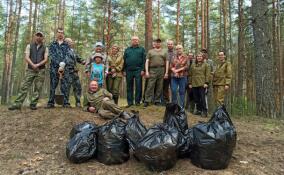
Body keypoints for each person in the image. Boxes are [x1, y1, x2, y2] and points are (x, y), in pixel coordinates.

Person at [8, 32, 48, 110]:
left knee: (38, 88)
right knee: (24, 87)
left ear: (43, 38)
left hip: (41, 70)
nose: (39, 37)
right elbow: (27, 57)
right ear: (34, 36)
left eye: (41, 36)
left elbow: (46, 59)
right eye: (37, 35)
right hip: (30, 70)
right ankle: (17, 104)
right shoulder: (29, 46)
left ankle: (33, 104)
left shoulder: (45, 48)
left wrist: (37, 65)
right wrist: (33, 65)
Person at [46, 28, 73, 108]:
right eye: (59, 32)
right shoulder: (52, 44)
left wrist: (63, 64)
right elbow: (51, 55)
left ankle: (66, 103)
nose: (60, 34)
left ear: (64, 35)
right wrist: (59, 64)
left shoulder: (67, 45)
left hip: (65, 68)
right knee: (53, 85)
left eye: (62, 33)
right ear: (56, 34)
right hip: (54, 68)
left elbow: (68, 55)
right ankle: (51, 102)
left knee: (65, 85)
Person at [144, 38, 169, 107]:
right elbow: (147, 61)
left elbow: (167, 62)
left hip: (161, 69)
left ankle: (157, 101)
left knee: (159, 86)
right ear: (155, 43)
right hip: (152, 70)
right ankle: (147, 100)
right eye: (157, 42)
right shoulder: (150, 51)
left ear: (161, 44)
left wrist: (166, 72)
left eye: (159, 42)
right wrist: (146, 71)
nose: (158, 43)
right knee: (150, 85)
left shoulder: (164, 52)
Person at [123, 36, 146, 107]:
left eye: (136, 40)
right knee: (129, 87)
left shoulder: (142, 49)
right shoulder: (127, 50)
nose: (135, 41)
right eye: (133, 40)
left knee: (138, 86)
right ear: (131, 41)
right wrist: (123, 70)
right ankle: (130, 103)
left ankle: (137, 102)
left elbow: (144, 60)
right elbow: (123, 60)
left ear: (138, 41)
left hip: (138, 70)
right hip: (128, 70)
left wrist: (143, 69)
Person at [64, 38, 86, 107]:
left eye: (71, 42)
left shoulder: (73, 51)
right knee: (67, 87)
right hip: (67, 71)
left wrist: (83, 61)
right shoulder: (63, 51)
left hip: (74, 72)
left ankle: (78, 102)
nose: (71, 43)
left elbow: (78, 58)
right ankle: (66, 102)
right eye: (69, 42)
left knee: (78, 86)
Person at [188, 53, 210, 117]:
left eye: (200, 56)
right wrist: (190, 83)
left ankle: (204, 111)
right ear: (196, 57)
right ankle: (198, 110)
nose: (199, 57)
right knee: (196, 98)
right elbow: (190, 75)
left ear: (202, 57)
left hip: (202, 84)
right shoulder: (193, 65)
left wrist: (206, 83)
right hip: (194, 84)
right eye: (198, 56)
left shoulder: (206, 65)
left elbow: (208, 74)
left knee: (202, 98)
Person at [162, 40, 175, 105]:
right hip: (165, 72)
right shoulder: (164, 52)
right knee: (165, 87)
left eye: (171, 44)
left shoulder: (175, 53)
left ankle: (174, 102)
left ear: (173, 45)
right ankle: (166, 101)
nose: (170, 45)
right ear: (167, 45)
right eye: (169, 44)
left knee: (173, 88)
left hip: (174, 73)